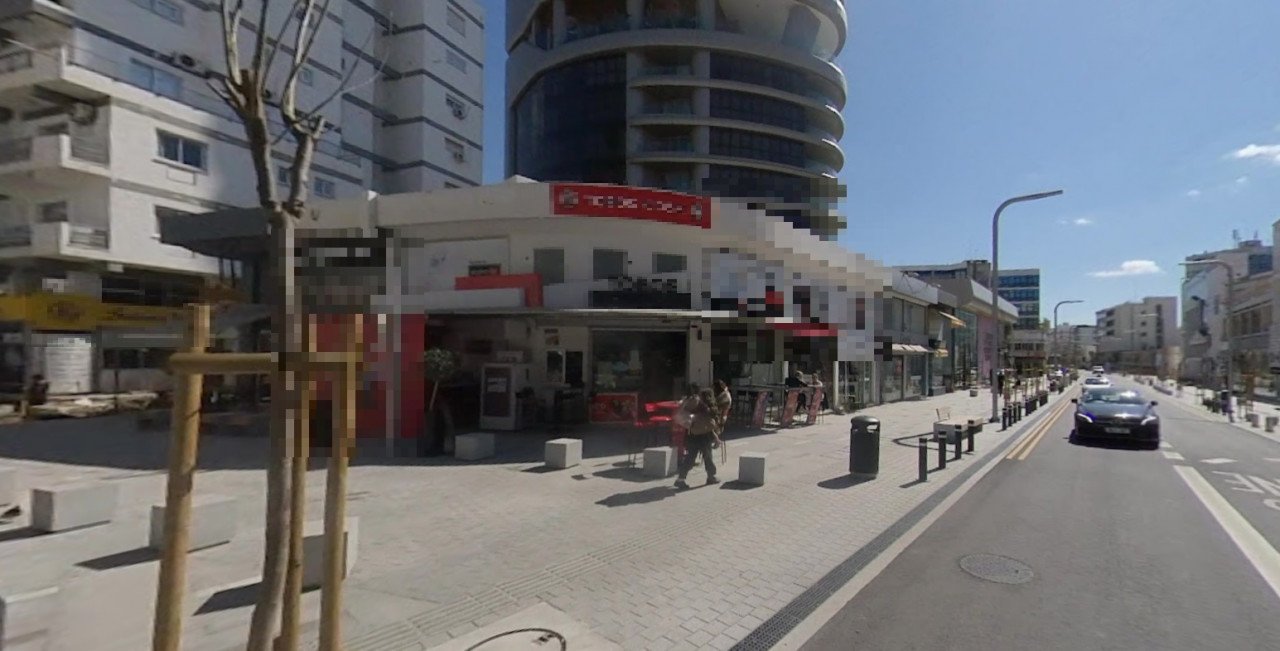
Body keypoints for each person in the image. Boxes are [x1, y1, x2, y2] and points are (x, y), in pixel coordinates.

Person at [675, 388, 719, 488]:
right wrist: (715, 437)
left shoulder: (689, 403)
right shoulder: (706, 406)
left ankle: (680, 479)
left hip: (692, 435)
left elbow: (682, 416)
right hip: (704, 435)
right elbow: (709, 424)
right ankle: (711, 477)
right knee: (708, 457)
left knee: (690, 458)